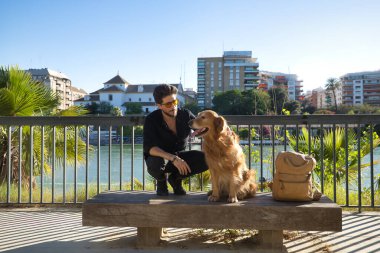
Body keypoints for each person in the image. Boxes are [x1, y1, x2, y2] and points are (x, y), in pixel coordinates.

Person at [143, 84, 208, 196]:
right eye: (168, 104)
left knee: (207, 159)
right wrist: (173, 158)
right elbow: (150, 148)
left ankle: (175, 180)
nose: (173, 106)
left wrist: (214, 130)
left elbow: (202, 126)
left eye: (175, 102)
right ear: (159, 106)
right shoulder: (151, 119)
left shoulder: (185, 114)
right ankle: (161, 182)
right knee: (155, 161)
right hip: (161, 158)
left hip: (179, 156)